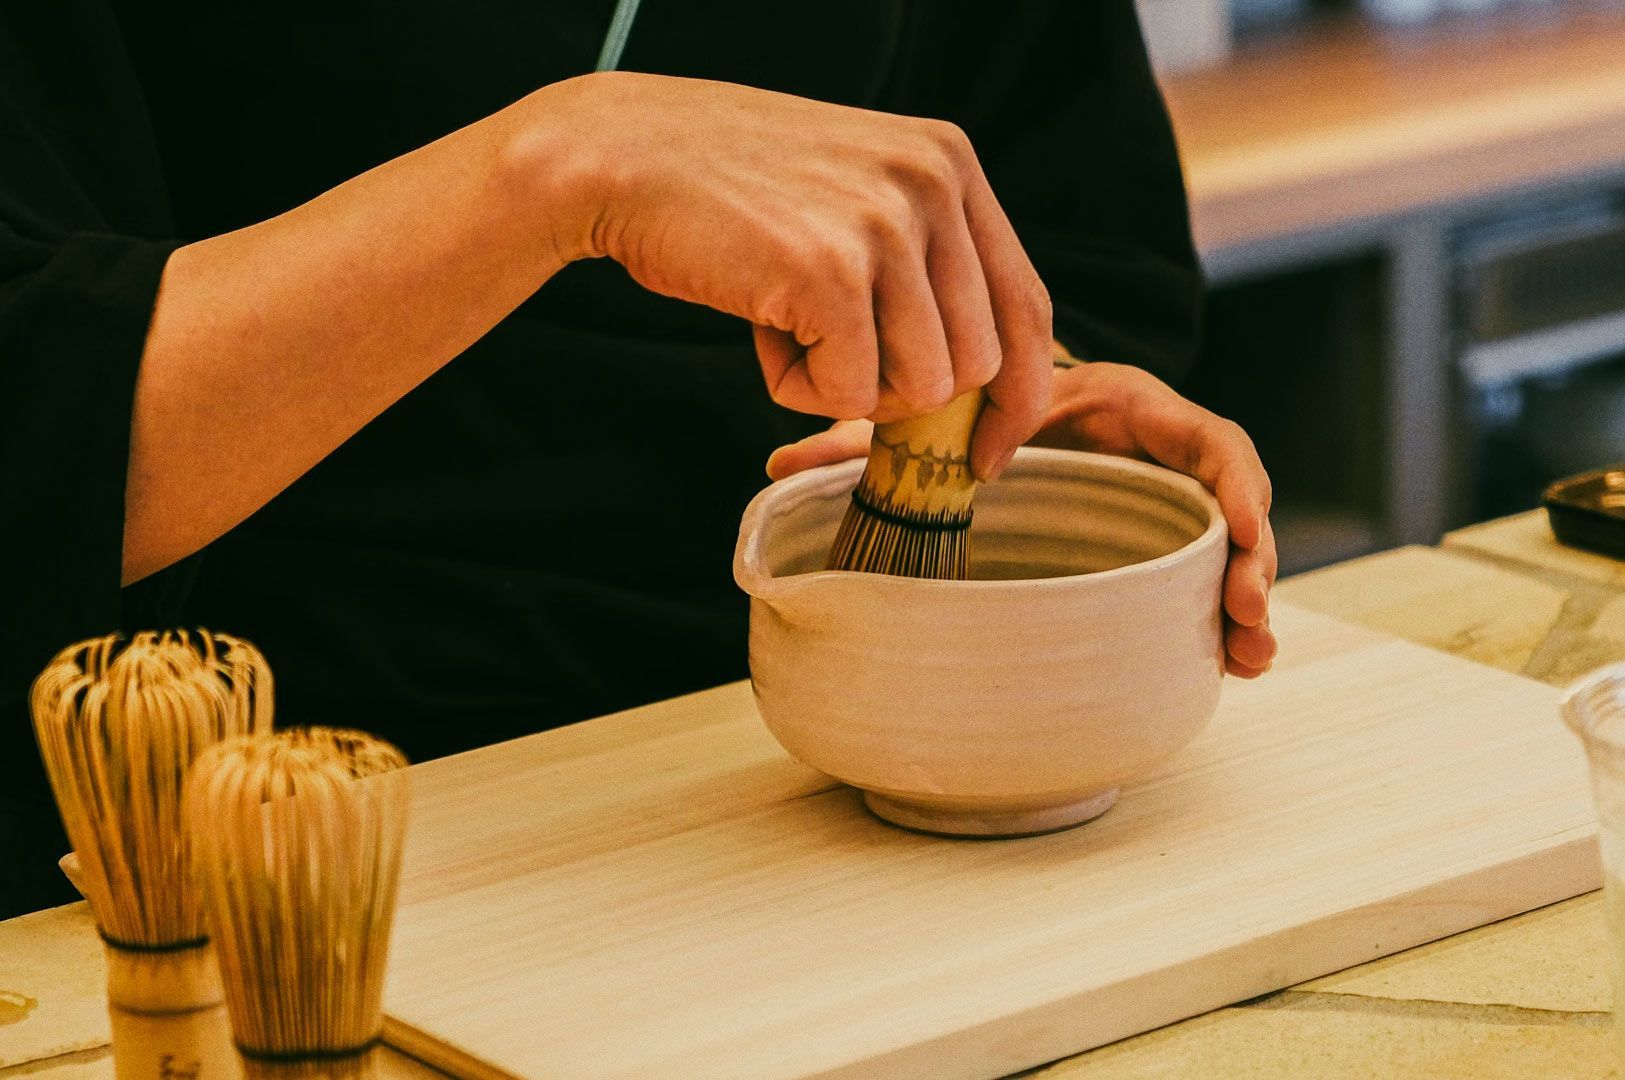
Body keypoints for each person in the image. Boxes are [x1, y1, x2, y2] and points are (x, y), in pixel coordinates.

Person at [0, 2, 1276, 918]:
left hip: (791, 799)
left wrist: (1021, 400)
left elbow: (1076, 251)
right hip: (280, 839)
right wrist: (564, 169)